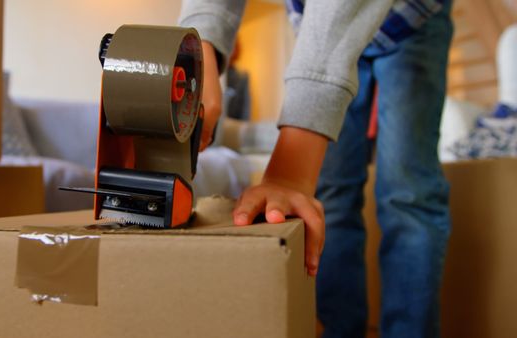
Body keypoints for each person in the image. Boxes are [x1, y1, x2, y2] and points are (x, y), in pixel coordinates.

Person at [179, 0, 453, 337]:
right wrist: (199, 44)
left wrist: (289, 174)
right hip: (317, 22)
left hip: (409, 20)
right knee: (332, 195)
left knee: (408, 195)